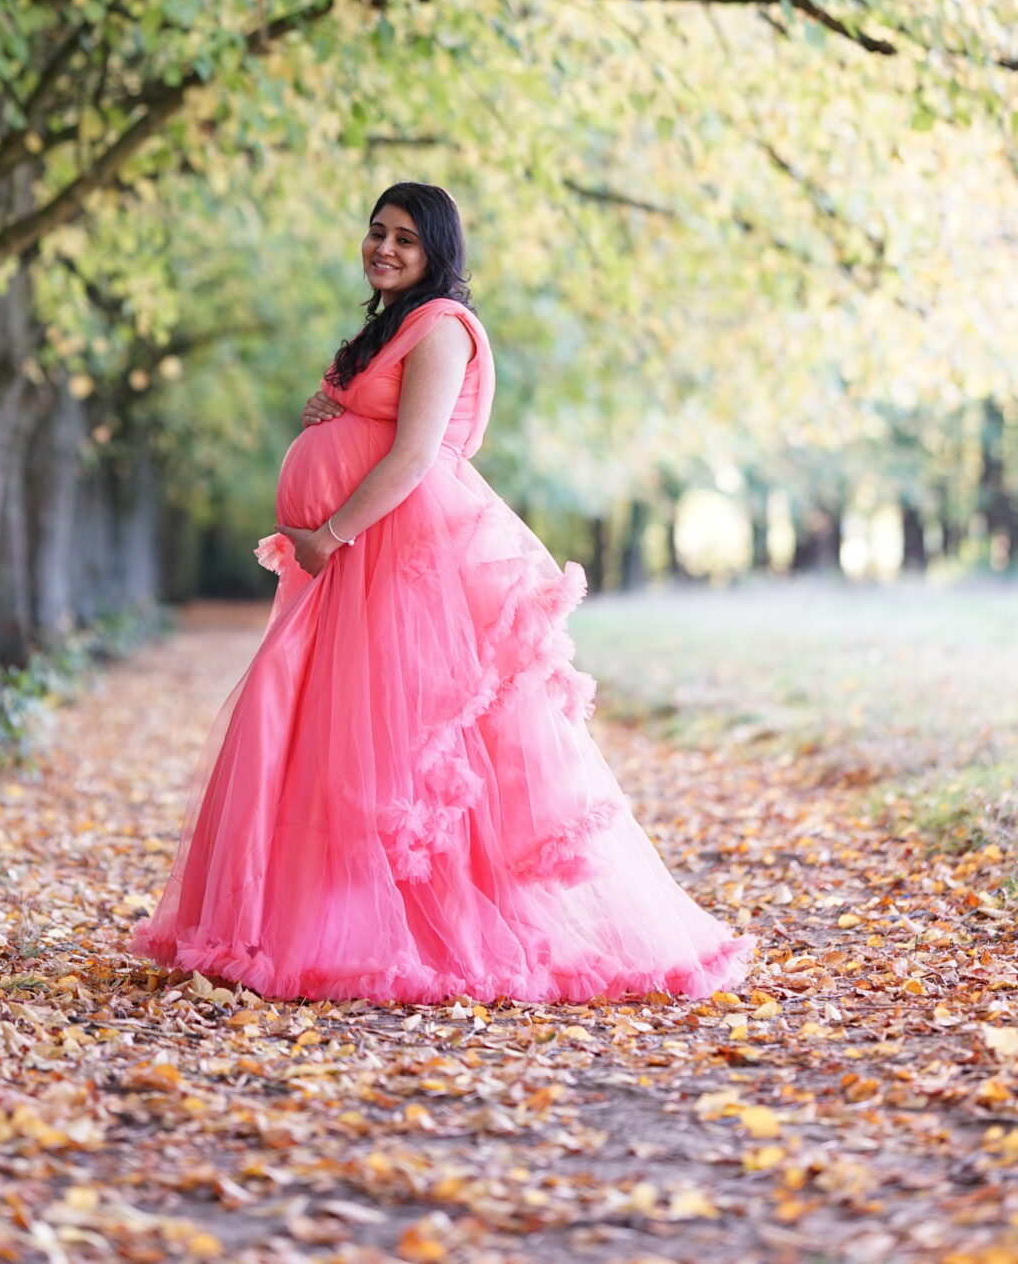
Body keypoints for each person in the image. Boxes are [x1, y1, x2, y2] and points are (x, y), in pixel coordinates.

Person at [131, 183, 753, 1004]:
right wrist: (332, 413)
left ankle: (437, 930)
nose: (385, 248)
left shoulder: (442, 329)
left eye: (406, 241)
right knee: (327, 733)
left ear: (436, 255)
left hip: (398, 557)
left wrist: (332, 532)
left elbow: (417, 455)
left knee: (414, 749)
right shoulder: (386, 327)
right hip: (358, 564)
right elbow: (377, 425)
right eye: (377, 232)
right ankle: (325, 921)